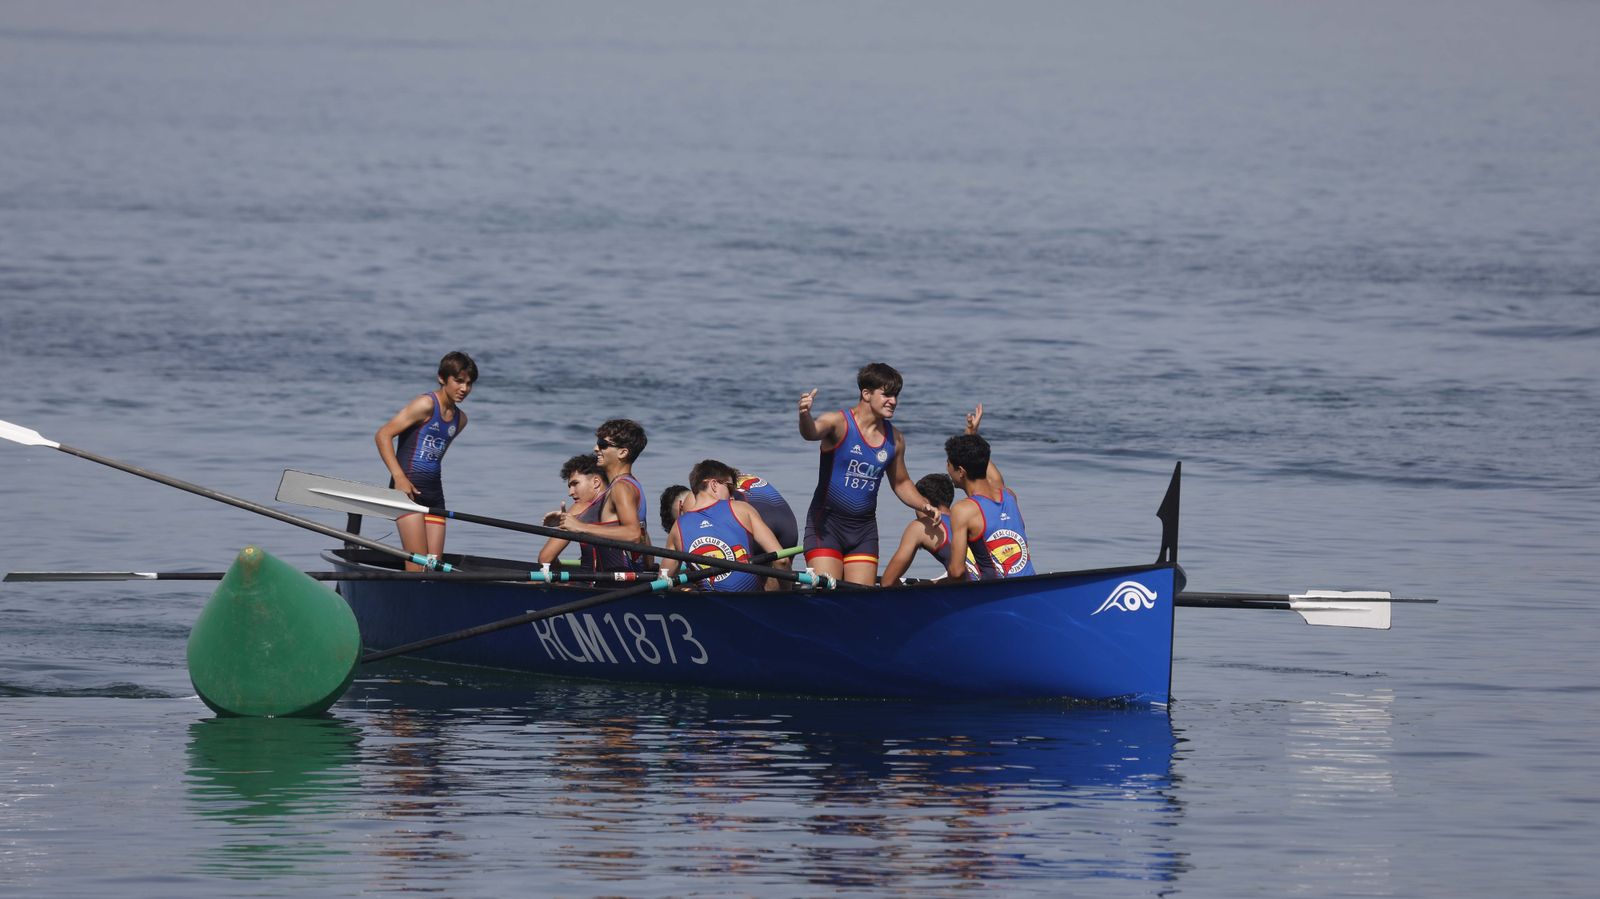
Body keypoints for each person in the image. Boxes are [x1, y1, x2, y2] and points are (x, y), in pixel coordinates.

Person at [797, 362, 936, 586]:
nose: (894, 401)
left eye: (896, 395)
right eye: (887, 394)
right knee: (826, 595)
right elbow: (811, 433)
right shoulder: (838, 423)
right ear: (866, 393)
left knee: (858, 601)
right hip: (826, 526)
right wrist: (804, 415)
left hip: (864, 531)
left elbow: (901, 482)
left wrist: (923, 505)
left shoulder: (896, 439)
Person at [375, 351, 477, 570]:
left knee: (433, 569)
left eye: (469, 384)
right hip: (407, 493)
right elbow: (383, 434)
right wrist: (399, 478)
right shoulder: (425, 404)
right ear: (442, 378)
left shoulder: (461, 420)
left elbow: (434, 458)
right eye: (458, 381)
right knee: (416, 570)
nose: (464, 389)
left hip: (434, 496)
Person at [944, 404, 1036, 580]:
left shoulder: (963, 510)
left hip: (997, 594)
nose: (947, 469)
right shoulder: (1009, 496)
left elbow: (956, 572)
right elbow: (986, 467)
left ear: (961, 471)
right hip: (1029, 585)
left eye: (948, 463)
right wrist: (971, 434)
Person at [662, 460, 784, 592]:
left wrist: (686, 590)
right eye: (730, 488)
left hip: (711, 605)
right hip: (751, 602)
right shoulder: (743, 509)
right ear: (714, 484)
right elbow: (782, 560)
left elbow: (663, 582)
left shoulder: (677, 527)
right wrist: (787, 596)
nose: (732, 495)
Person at [557, 418, 651, 572]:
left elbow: (632, 533)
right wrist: (566, 520)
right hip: (620, 580)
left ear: (622, 452)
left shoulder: (621, 487)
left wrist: (580, 527)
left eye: (603, 444)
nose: (595, 448)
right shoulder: (631, 484)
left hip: (617, 585)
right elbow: (642, 535)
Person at [878, 473, 971, 585]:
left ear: (924, 502)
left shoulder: (921, 526)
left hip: (966, 593)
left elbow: (888, 582)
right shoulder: (966, 521)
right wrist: (934, 583)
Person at [539, 454, 609, 568]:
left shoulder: (581, 507)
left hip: (591, 582)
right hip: (630, 579)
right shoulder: (624, 503)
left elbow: (545, 559)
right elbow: (648, 562)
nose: (570, 492)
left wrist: (561, 570)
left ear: (596, 482)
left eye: (575, 484)